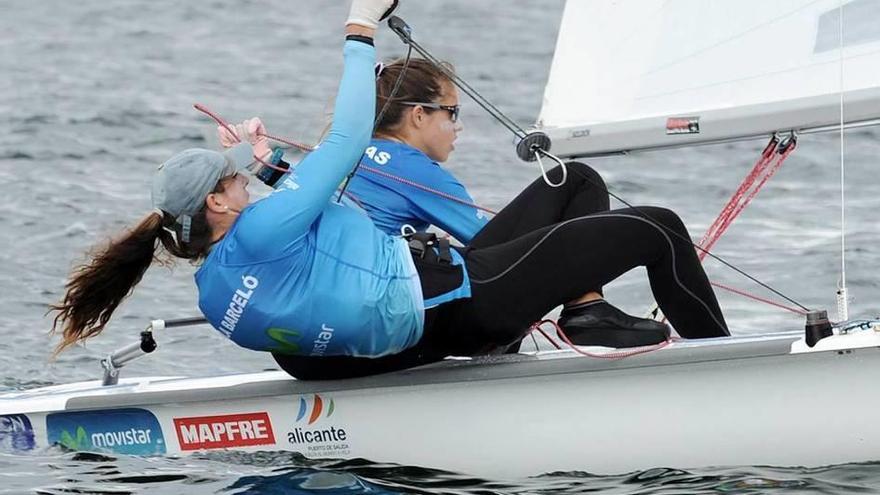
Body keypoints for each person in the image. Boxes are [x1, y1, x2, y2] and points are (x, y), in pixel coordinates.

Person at [50, 0, 729, 382]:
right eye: (234, 178)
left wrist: (265, 164)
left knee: (574, 181)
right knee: (659, 228)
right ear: (220, 204)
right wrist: (359, 28)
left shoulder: (217, 285)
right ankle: (727, 374)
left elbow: (309, 280)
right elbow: (346, 141)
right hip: (464, 307)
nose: (243, 182)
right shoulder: (264, 229)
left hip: (407, 340)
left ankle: (585, 311)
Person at [341, 57, 670, 347]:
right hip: (396, 305)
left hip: (356, 301)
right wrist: (571, 254)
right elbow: (491, 246)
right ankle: (587, 309)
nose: (459, 126)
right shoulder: (410, 166)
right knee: (576, 182)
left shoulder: (346, 154)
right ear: (417, 116)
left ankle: (586, 308)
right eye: (452, 113)